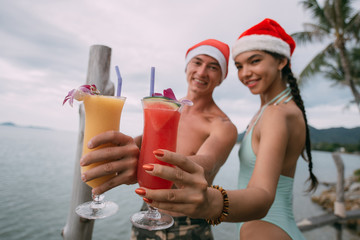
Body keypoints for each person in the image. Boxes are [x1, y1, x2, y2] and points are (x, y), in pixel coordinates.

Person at [134, 18, 318, 240]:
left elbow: (261, 196)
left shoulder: (275, 113)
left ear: (281, 62)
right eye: (240, 66)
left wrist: (209, 202)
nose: (246, 73)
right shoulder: (270, 111)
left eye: (255, 61)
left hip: (267, 229)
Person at [80, 39, 238, 239]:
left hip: (189, 225)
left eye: (213, 67)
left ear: (221, 77)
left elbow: (207, 166)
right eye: (197, 62)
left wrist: (149, 164)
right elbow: (140, 144)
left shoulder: (223, 126)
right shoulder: (162, 109)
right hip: (146, 216)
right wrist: (120, 152)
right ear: (187, 66)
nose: (202, 71)